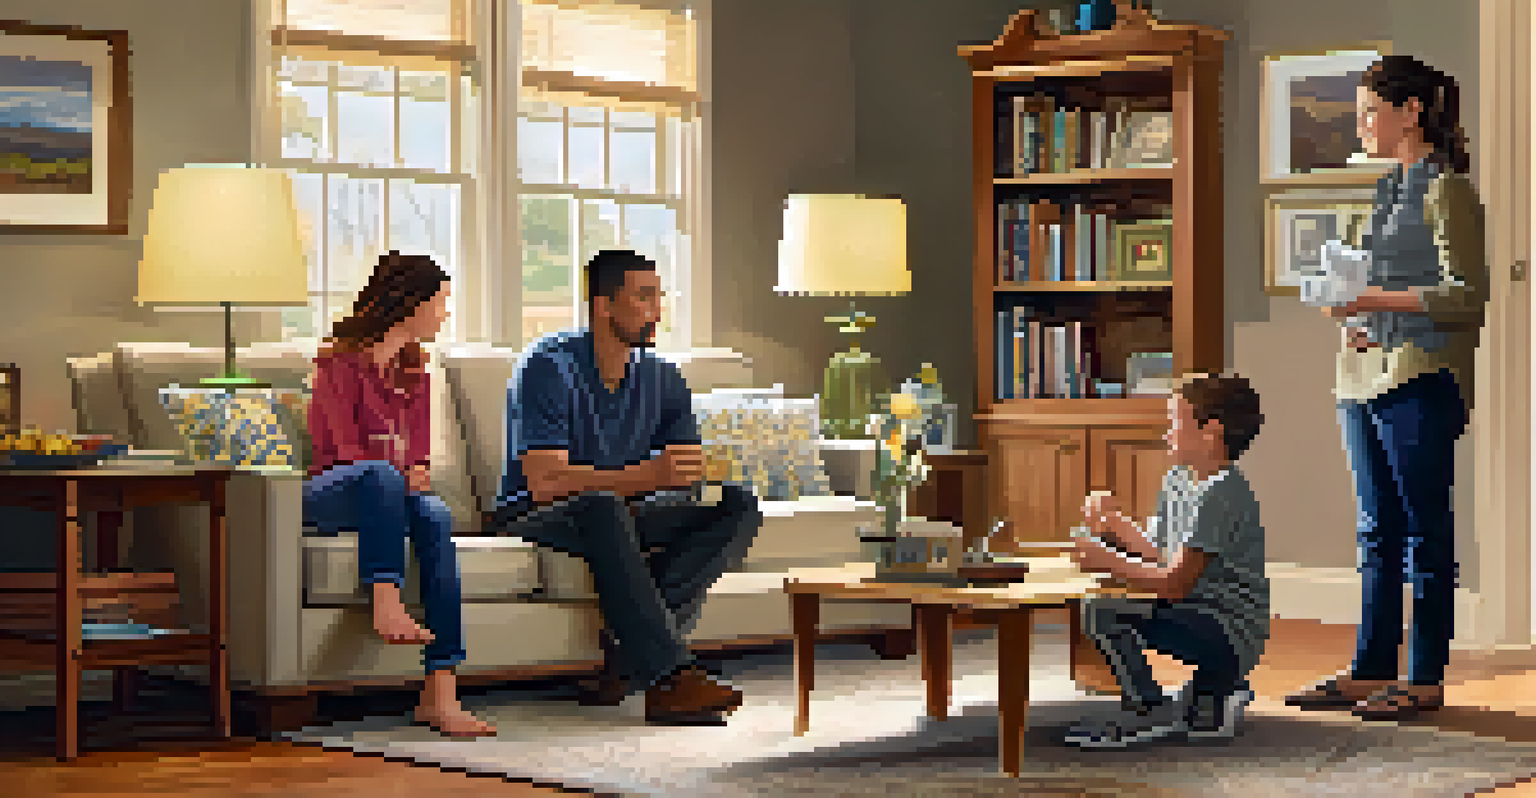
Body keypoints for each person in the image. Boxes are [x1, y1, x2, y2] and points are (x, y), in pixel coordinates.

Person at [1285, 55, 1488, 722]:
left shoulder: (1446, 190)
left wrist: (1372, 298)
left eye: (1371, 109)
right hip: (1363, 377)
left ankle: (1423, 676)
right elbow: (1374, 286)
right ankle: (1370, 669)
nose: (1362, 122)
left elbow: (1465, 295)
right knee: (1376, 532)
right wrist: (1352, 316)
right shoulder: (1384, 190)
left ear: (1411, 112)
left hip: (1420, 377)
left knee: (1425, 531)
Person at [486, 249, 764, 725]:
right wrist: (649, 476)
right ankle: (669, 677)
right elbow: (546, 480)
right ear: (604, 305)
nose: (656, 309)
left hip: (624, 510)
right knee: (600, 506)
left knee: (736, 505)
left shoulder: (663, 377)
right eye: (643, 297)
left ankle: (630, 661)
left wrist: (690, 477)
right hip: (535, 515)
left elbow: (679, 471)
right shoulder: (548, 367)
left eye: (659, 297)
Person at [304, 252, 495, 738]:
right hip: (331, 492)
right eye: (440, 302)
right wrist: (401, 473)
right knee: (380, 477)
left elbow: (420, 460)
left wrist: (417, 475)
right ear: (411, 303)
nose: (444, 313)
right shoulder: (337, 362)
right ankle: (385, 597)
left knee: (433, 515)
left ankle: (441, 689)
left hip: (387, 492)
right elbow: (343, 451)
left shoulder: (418, 374)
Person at [1064, 373, 1267, 749]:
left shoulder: (1221, 496)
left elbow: (1174, 582)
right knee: (1106, 605)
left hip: (1227, 632)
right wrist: (1114, 523)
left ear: (1211, 432)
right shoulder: (1179, 479)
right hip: (1194, 610)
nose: (1166, 432)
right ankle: (1216, 692)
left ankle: (1152, 709)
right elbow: (1160, 553)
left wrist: (1106, 560)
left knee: (1101, 609)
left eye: (1175, 421)